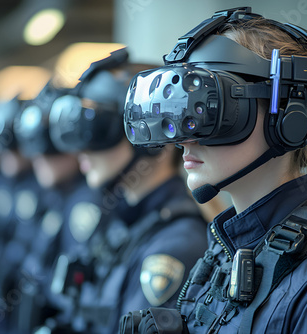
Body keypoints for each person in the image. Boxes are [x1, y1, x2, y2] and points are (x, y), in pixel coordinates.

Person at [119, 7, 307, 333]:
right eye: (186, 114)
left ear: (287, 117)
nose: (186, 138)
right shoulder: (226, 254)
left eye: (211, 109)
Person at [36, 48, 208, 334]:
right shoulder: (121, 222)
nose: (82, 149)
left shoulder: (176, 244)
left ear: (156, 143)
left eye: (101, 129)